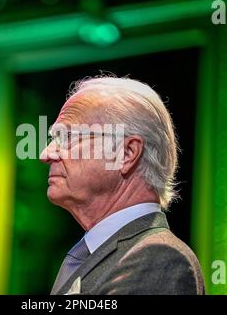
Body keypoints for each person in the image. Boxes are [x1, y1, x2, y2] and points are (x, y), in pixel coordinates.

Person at [40, 76, 205, 295]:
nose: (46, 154)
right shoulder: (109, 252)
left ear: (126, 154)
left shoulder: (157, 258)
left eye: (68, 137)